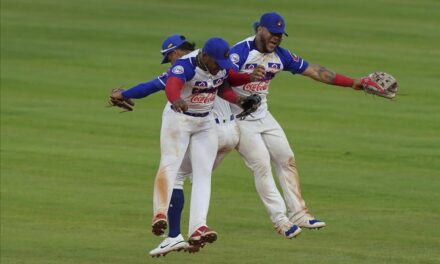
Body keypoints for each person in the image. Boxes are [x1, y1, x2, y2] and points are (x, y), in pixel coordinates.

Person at [111, 35, 263, 257]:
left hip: (205, 123)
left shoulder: (219, 65)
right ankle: (160, 214)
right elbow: (169, 87)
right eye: (218, 63)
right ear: (206, 57)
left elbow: (226, 83)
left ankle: (198, 226)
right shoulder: (185, 66)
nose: (221, 68)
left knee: (203, 176)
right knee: (170, 166)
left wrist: (247, 79)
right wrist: (175, 99)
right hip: (179, 121)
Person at [228, 12, 370, 237]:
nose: (276, 38)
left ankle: (299, 214)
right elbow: (220, 82)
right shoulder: (238, 53)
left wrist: (353, 83)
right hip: (238, 117)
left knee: (286, 158)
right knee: (262, 165)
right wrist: (239, 98)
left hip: (263, 114)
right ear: (260, 30)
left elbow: (315, 71)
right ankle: (280, 220)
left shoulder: (280, 56)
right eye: (272, 33)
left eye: (280, 34)